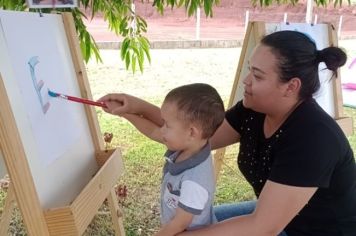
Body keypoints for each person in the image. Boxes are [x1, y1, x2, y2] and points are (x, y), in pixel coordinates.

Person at [98, 30, 356, 235]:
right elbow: (196, 135)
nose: (247, 81)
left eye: (257, 75)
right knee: (191, 223)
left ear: (291, 87)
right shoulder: (252, 110)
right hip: (274, 220)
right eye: (249, 70)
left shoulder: (313, 138)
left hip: (314, 231)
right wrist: (136, 107)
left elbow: (263, 228)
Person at [100, 83, 225, 235]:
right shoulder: (193, 146)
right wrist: (124, 113)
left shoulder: (195, 182)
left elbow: (179, 224)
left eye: (167, 124)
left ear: (192, 133)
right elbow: (154, 131)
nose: (162, 128)